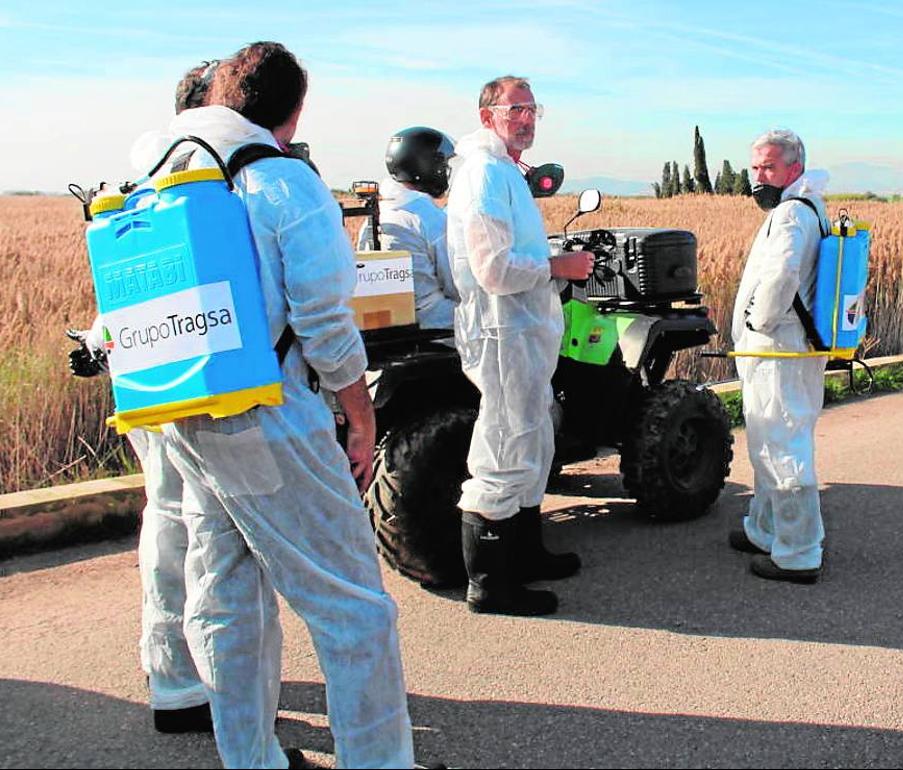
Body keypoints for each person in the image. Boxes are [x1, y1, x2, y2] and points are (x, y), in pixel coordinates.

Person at [150, 42, 422, 768]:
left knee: (227, 593)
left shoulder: (166, 173)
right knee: (352, 607)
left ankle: (252, 757)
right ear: (294, 108)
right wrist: (359, 418)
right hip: (272, 420)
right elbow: (328, 325)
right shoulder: (282, 184)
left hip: (185, 416)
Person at [67, 60, 224, 736]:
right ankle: (189, 682)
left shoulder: (150, 162)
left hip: (146, 362)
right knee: (187, 530)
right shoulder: (193, 161)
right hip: (183, 367)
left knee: (169, 523)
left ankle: (178, 676)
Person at [446, 75, 593, 616]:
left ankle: (526, 553)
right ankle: (490, 582)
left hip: (523, 330)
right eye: (516, 109)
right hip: (503, 331)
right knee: (504, 447)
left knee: (531, 440)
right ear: (487, 116)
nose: (527, 118)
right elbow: (493, 269)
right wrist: (561, 267)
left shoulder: (504, 170)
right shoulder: (484, 174)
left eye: (533, 109)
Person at [728, 128, 830, 584]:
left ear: (794, 168)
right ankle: (765, 529)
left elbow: (782, 276)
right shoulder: (808, 206)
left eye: (768, 167)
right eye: (755, 167)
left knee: (783, 445)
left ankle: (798, 552)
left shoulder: (791, 215)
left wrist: (757, 325)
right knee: (769, 439)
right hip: (788, 349)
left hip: (779, 349)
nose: (758, 177)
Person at [357, 126, 459, 334]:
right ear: (427, 165)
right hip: (434, 323)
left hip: (385, 326)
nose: (445, 170)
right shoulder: (426, 217)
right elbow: (456, 284)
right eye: (443, 163)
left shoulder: (376, 213)